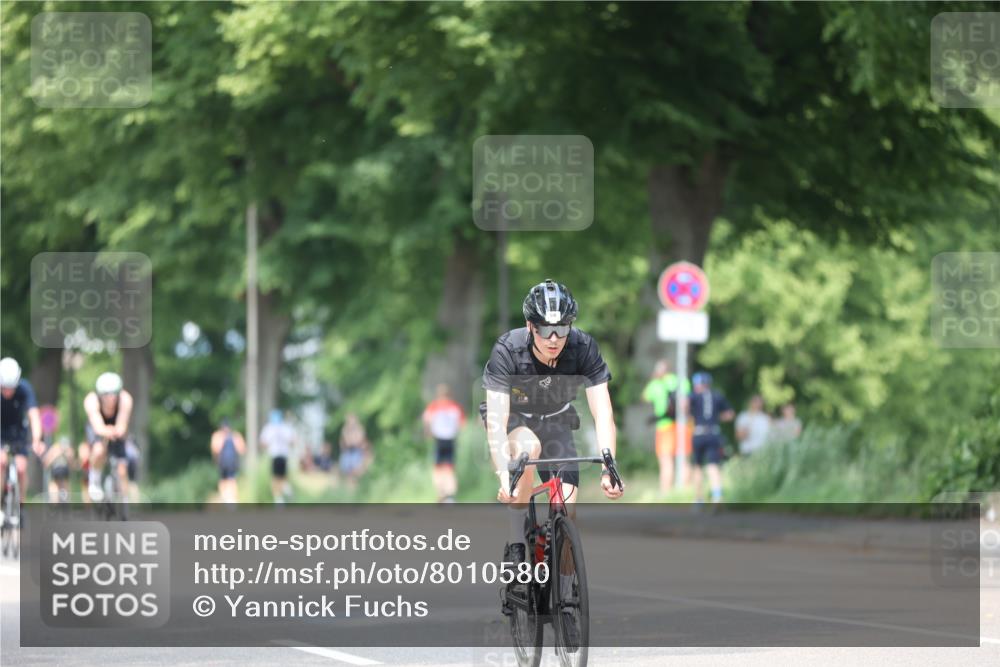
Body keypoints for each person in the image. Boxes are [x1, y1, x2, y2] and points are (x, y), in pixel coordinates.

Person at [481, 279, 624, 640]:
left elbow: (603, 412)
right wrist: (503, 474)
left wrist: (610, 465)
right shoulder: (508, 350)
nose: (554, 337)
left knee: (567, 510)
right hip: (515, 423)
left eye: (561, 328)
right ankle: (517, 545)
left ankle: (564, 597)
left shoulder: (583, 348)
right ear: (531, 326)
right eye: (545, 328)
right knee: (528, 450)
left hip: (559, 421)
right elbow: (497, 420)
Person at [0, 358, 43, 519]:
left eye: (11, 388)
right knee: (1, 462)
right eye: (3, 388)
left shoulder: (25, 389)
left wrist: (37, 439)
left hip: (18, 432)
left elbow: (34, 416)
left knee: (21, 468)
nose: (7, 392)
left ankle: (21, 505)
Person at [83, 371, 133, 502]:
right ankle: (95, 479)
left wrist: (118, 430)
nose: (112, 398)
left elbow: (122, 423)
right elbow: (97, 426)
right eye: (107, 394)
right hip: (97, 426)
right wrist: (106, 431)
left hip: (115, 426)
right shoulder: (91, 400)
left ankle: (124, 500)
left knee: (122, 468)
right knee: (99, 450)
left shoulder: (125, 399)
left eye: (114, 394)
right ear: (101, 395)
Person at [642, 359, 692, 493]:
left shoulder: (655, 384)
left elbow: (645, 397)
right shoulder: (682, 381)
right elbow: (686, 403)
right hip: (682, 425)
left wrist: (654, 379)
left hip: (664, 426)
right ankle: (685, 492)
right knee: (684, 460)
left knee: (666, 462)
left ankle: (666, 493)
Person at [688, 372, 735, 504]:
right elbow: (730, 414)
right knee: (713, 465)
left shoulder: (693, 396)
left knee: (697, 466)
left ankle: (698, 499)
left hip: (699, 433)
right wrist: (716, 418)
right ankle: (717, 496)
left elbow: (684, 407)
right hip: (714, 433)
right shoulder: (717, 396)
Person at [423, 384, 465, 503]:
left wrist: (428, 432)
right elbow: (461, 423)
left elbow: (427, 420)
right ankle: (449, 495)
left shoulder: (434, 406)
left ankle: (442, 493)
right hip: (451, 439)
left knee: (437, 468)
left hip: (439, 439)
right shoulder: (455, 406)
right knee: (449, 468)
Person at [260, 409, 296, 504]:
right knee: (282, 476)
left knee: (275, 478)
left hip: (275, 455)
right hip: (284, 455)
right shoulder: (285, 427)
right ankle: (285, 489)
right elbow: (293, 441)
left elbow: (263, 442)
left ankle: (279, 498)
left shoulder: (269, 428)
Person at [210, 418, 246, 503]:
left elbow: (215, 449)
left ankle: (226, 499)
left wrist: (215, 459)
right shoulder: (235, 436)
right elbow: (242, 449)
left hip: (223, 463)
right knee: (231, 480)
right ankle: (231, 500)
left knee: (224, 480)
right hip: (232, 462)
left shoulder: (217, 436)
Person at [339, 413, 371, 485]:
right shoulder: (345, 429)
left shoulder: (360, 428)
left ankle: (358, 487)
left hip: (357, 452)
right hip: (348, 453)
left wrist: (352, 442)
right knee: (349, 474)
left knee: (358, 471)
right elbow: (346, 443)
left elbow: (360, 441)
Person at [42, 436, 75, 503]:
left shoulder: (69, 451)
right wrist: (55, 455)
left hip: (64, 475)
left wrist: (68, 456)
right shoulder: (54, 449)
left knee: (64, 496)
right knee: (54, 497)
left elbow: (72, 466)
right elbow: (45, 463)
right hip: (55, 475)